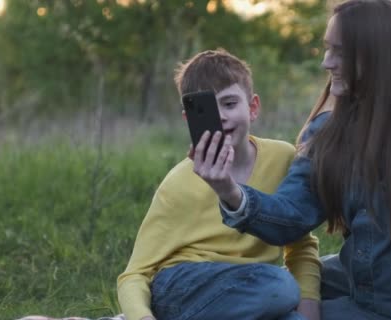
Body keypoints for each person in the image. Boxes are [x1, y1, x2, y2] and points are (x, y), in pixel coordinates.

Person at [191, 1, 391, 319]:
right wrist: (229, 190)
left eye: (340, 52)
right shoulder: (328, 130)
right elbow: (290, 217)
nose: (326, 62)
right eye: (326, 49)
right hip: (358, 284)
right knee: (268, 288)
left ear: (380, 56)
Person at [116, 49, 322, 320]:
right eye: (208, 109)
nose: (221, 116)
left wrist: (310, 311)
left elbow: (299, 243)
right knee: (280, 287)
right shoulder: (179, 182)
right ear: (189, 119)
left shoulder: (282, 158)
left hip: (251, 291)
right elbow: (135, 273)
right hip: (182, 287)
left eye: (229, 104)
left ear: (253, 107)